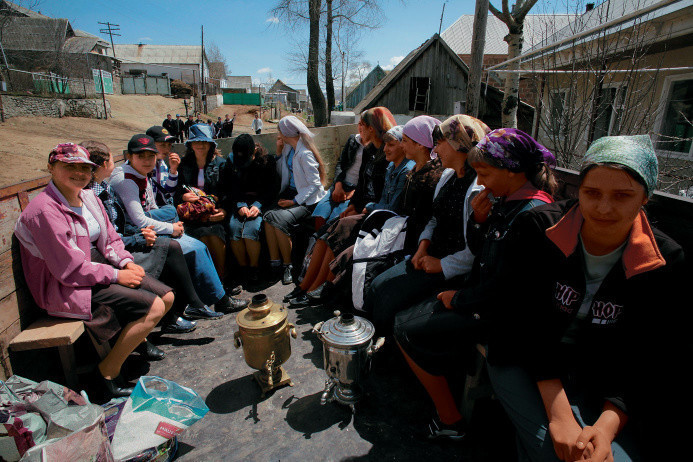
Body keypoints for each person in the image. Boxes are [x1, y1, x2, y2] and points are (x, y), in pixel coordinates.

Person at [487, 135, 690, 461]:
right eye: (592, 193)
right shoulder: (540, 230)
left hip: (599, 376)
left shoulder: (663, 259)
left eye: (622, 196)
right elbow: (517, 323)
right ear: (578, 191)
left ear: (645, 199)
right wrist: (560, 416)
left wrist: (608, 426)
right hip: (522, 360)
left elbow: (649, 354)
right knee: (556, 453)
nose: (604, 207)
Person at [393, 127, 557, 441]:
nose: (479, 181)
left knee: (404, 327)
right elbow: (487, 255)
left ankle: (450, 419)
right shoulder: (507, 201)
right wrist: (480, 222)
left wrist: (458, 299)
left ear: (513, 171)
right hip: (483, 300)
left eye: (484, 173)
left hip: (504, 321)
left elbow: (506, 291)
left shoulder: (532, 216)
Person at [14, 143, 174, 398]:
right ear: (51, 167)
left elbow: (110, 238)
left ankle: (129, 345)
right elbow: (68, 269)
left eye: (84, 168)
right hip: (65, 286)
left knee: (167, 297)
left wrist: (125, 262)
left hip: (95, 269)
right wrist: (116, 275)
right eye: (69, 166)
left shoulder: (88, 197)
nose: (79, 173)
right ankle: (107, 371)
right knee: (154, 306)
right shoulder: (44, 211)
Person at [363, 115, 490, 334]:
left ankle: (387, 353)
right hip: (428, 255)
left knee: (389, 298)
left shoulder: (476, 189)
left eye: (440, 143)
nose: (435, 150)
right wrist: (422, 247)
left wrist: (443, 265)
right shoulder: (448, 176)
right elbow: (434, 218)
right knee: (376, 286)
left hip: (452, 269)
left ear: (457, 145)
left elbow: (475, 249)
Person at [110, 133, 248, 316]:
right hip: (138, 232)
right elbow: (139, 220)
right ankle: (216, 300)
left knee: (201, 236)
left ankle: (215, 295)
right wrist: (172, 227)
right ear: (129, 157)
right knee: (196, 247)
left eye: (150, 156)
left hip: (157, 223)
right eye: (140, 156)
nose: (146, 160)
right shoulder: (128, 180)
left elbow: (159, 202)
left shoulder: (141, 172)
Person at [287, 123, 414, 307]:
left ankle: (316, 288)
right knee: (327, 232)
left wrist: (368, 207)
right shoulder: (391, 167)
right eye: (385, 144)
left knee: (340, 234)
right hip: (375, 214)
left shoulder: (405, 170)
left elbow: (391, 208)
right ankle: (305, 286)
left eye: (392, 145)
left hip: (384, 223)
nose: (386, 149)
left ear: (403, 145)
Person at [82, 140, 199, 335]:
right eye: (112, 159)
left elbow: (118, 225)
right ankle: (182, 310)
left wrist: (139, 234)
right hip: (111, 256)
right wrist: (138, 238)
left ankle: (182, 309)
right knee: (171, 248)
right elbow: (108, 236)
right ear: (104, 165)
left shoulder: (105, 187)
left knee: (170, 241)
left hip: (122, 243)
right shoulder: (96, 193)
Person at [263, 115, 327, 285]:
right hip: (292, 194)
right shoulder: (289, 149)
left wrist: (294, 202)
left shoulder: (304, 153)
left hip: (307, 201)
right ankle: (275, 263)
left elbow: (314, 185)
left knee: (277, 220)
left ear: (285, 133)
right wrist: (278, 152)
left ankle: (288, 265)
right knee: (268, 218)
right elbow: (282, 173)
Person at [311, 107, 394, 230]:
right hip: (345, 187)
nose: (360, 128)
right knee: (320, 216)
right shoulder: (360, 145)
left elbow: (375, 190)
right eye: (358, 124)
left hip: (366, 203)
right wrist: (339, 185)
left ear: (371, 128)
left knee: (334, 222)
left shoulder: (385, 156)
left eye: (363, 125)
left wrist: (356, 203)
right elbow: (344, 166)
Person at [174, 124, 232, 280]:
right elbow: (176, 191)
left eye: (204, 142)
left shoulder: (221, 164)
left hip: (214, 213)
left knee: (214, 233)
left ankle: (221, 278)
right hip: (192, 215)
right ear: (191, 145)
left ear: (211, 144)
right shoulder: (184, 165)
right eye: (196, 142)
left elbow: (229, 192)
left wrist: (224, 210)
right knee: (199, 234)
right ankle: (206, 279)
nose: (200, 145)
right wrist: (183, 197)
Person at [227, 135, 279, 285]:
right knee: (234, 228)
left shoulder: (267, 162)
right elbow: (232, 188)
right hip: (241, 203)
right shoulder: (232, 162)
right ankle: (243, 268)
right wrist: (240, 205)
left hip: (261, 202)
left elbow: (272, 189)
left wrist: (258, 205)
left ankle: (254, 267)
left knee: (251, 229)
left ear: (255, 151)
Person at [145, 126, 180, 206]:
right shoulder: (142, 166)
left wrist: (173, 171)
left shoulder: (161, 164)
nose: (167, 149)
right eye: (163, 145)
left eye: (169, 145)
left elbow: (168, 194)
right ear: (150, 145)